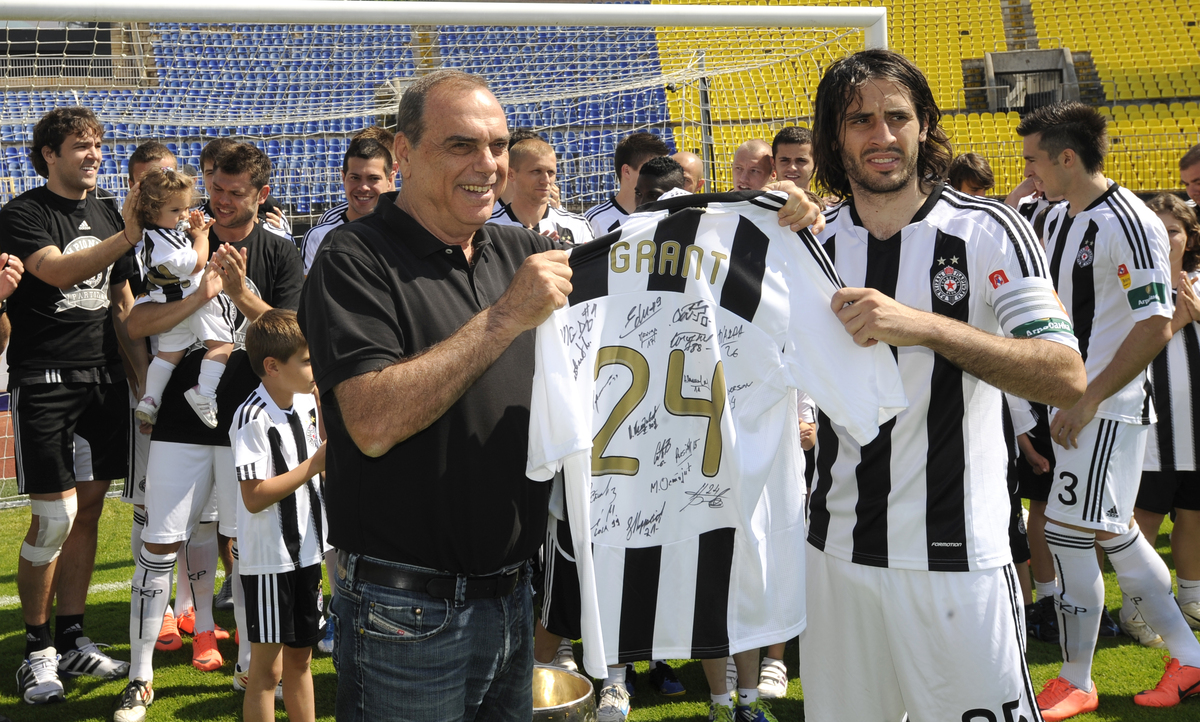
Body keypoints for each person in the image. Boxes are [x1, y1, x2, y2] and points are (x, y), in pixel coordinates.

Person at [299, 68, 821, 722]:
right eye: (461, 145)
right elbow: (371, 421)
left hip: (515, 596)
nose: (487, 164)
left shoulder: (517, 248)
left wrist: (766, 217)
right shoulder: (355, 257)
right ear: (403, 154)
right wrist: (503, 318)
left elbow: (652, 254)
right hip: (407, 609)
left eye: (497, 145)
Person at [804, 49, 1086, 722]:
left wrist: (926, 327)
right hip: (835, 555)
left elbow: (1064, 372)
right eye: (860, 120)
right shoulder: (810, 244)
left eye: (897, 117)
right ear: (834, 137)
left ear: (924, 125)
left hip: (958, 558)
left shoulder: (989, 230)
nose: (882, 135)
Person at [1019, 100, 1200, 719]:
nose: (1029, 174)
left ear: (1068, 158)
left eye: (1035, 161)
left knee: (1071, 537)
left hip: (1104, 409)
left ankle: (1076, 678)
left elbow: (1155, 322)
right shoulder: (1056, 213)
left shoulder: (1130, 221)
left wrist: (1089, 398)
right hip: (1072, 405)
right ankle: (1189, 656)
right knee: (1113, 532)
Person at [115, 142, 304, 722]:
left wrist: (240, 291)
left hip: (250, 423)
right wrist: (199, 294)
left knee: (250, 549)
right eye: (215, 189)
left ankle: (252, 661)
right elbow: (137, 322)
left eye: (235, 192)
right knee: (157, 546)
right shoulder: (167, 241)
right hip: (177, 420)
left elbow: (292, 336)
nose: (221, 202)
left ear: (261, 195)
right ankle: (140, 676)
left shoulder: (277, 251)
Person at [0, 106, 143, 705]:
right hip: (46, 380)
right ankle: (35, 652)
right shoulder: (23, 212)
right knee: (53, 518)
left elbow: (121, 300)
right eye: (80, 146)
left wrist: (143, 383)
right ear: (49, 155)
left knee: (89, 512)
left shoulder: (109, 210)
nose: (93, 154)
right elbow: (56, 272)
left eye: (98, 144)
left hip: (104, 379)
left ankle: (72, 638)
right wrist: (127, 235)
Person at [232, 309, 327, 722]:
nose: (313, 368)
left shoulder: (306, 403)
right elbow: (253, 497)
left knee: (301, 661)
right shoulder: (251, 417)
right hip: (271, 560)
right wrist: (316, 464)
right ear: (272, 366)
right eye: (306, 361)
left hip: (308, 552)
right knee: (266, 670)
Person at [1127, 193, 1200, 646]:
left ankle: (1191, 599)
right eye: (1157, 228)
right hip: (1152, 429)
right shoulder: (1132, 285)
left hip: (1195, 427)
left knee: (1193, 517)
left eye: (1174, 229)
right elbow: (1127, 350)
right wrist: (1173, 321)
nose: (1166, 237)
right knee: (1145, 521)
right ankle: (1138, 610)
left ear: (1189, 236)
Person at [131, 168, 233, 428]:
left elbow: (180, 233)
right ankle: (205, 393)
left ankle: (150, 399)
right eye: (176, 211)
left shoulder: (153, 235)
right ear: (153, 212)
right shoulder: (165, 242)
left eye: (186, 208)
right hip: (196, 300)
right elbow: (197, 263)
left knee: (167, 355)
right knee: (222, 344)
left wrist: (193, 227)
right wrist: (202, 237)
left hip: (171, 305)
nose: (184, 216)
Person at [302, 128, 397, 274]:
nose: (364, 187)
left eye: (373, 178)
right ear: (343, 177)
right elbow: (308, 294)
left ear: (390, 177)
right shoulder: (321, 235)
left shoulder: (412, 226)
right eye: (355, 177)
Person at [488, 137, 593, 244]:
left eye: (551, 172)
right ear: (511, 174)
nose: (546, 180)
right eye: (536, 171)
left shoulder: (577, 225)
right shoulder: (488, 228)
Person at [585, 131, 669, 236]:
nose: (662, 176)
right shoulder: (594, 221)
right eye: (652, 169)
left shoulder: (667, 217)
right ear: (627, 171)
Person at [771, 127, 815, 191]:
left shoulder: (825, 201)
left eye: (801, 160)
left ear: (817, 164)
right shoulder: (758, 200)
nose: (792, 168)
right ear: (773, 164)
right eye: (784, 160)